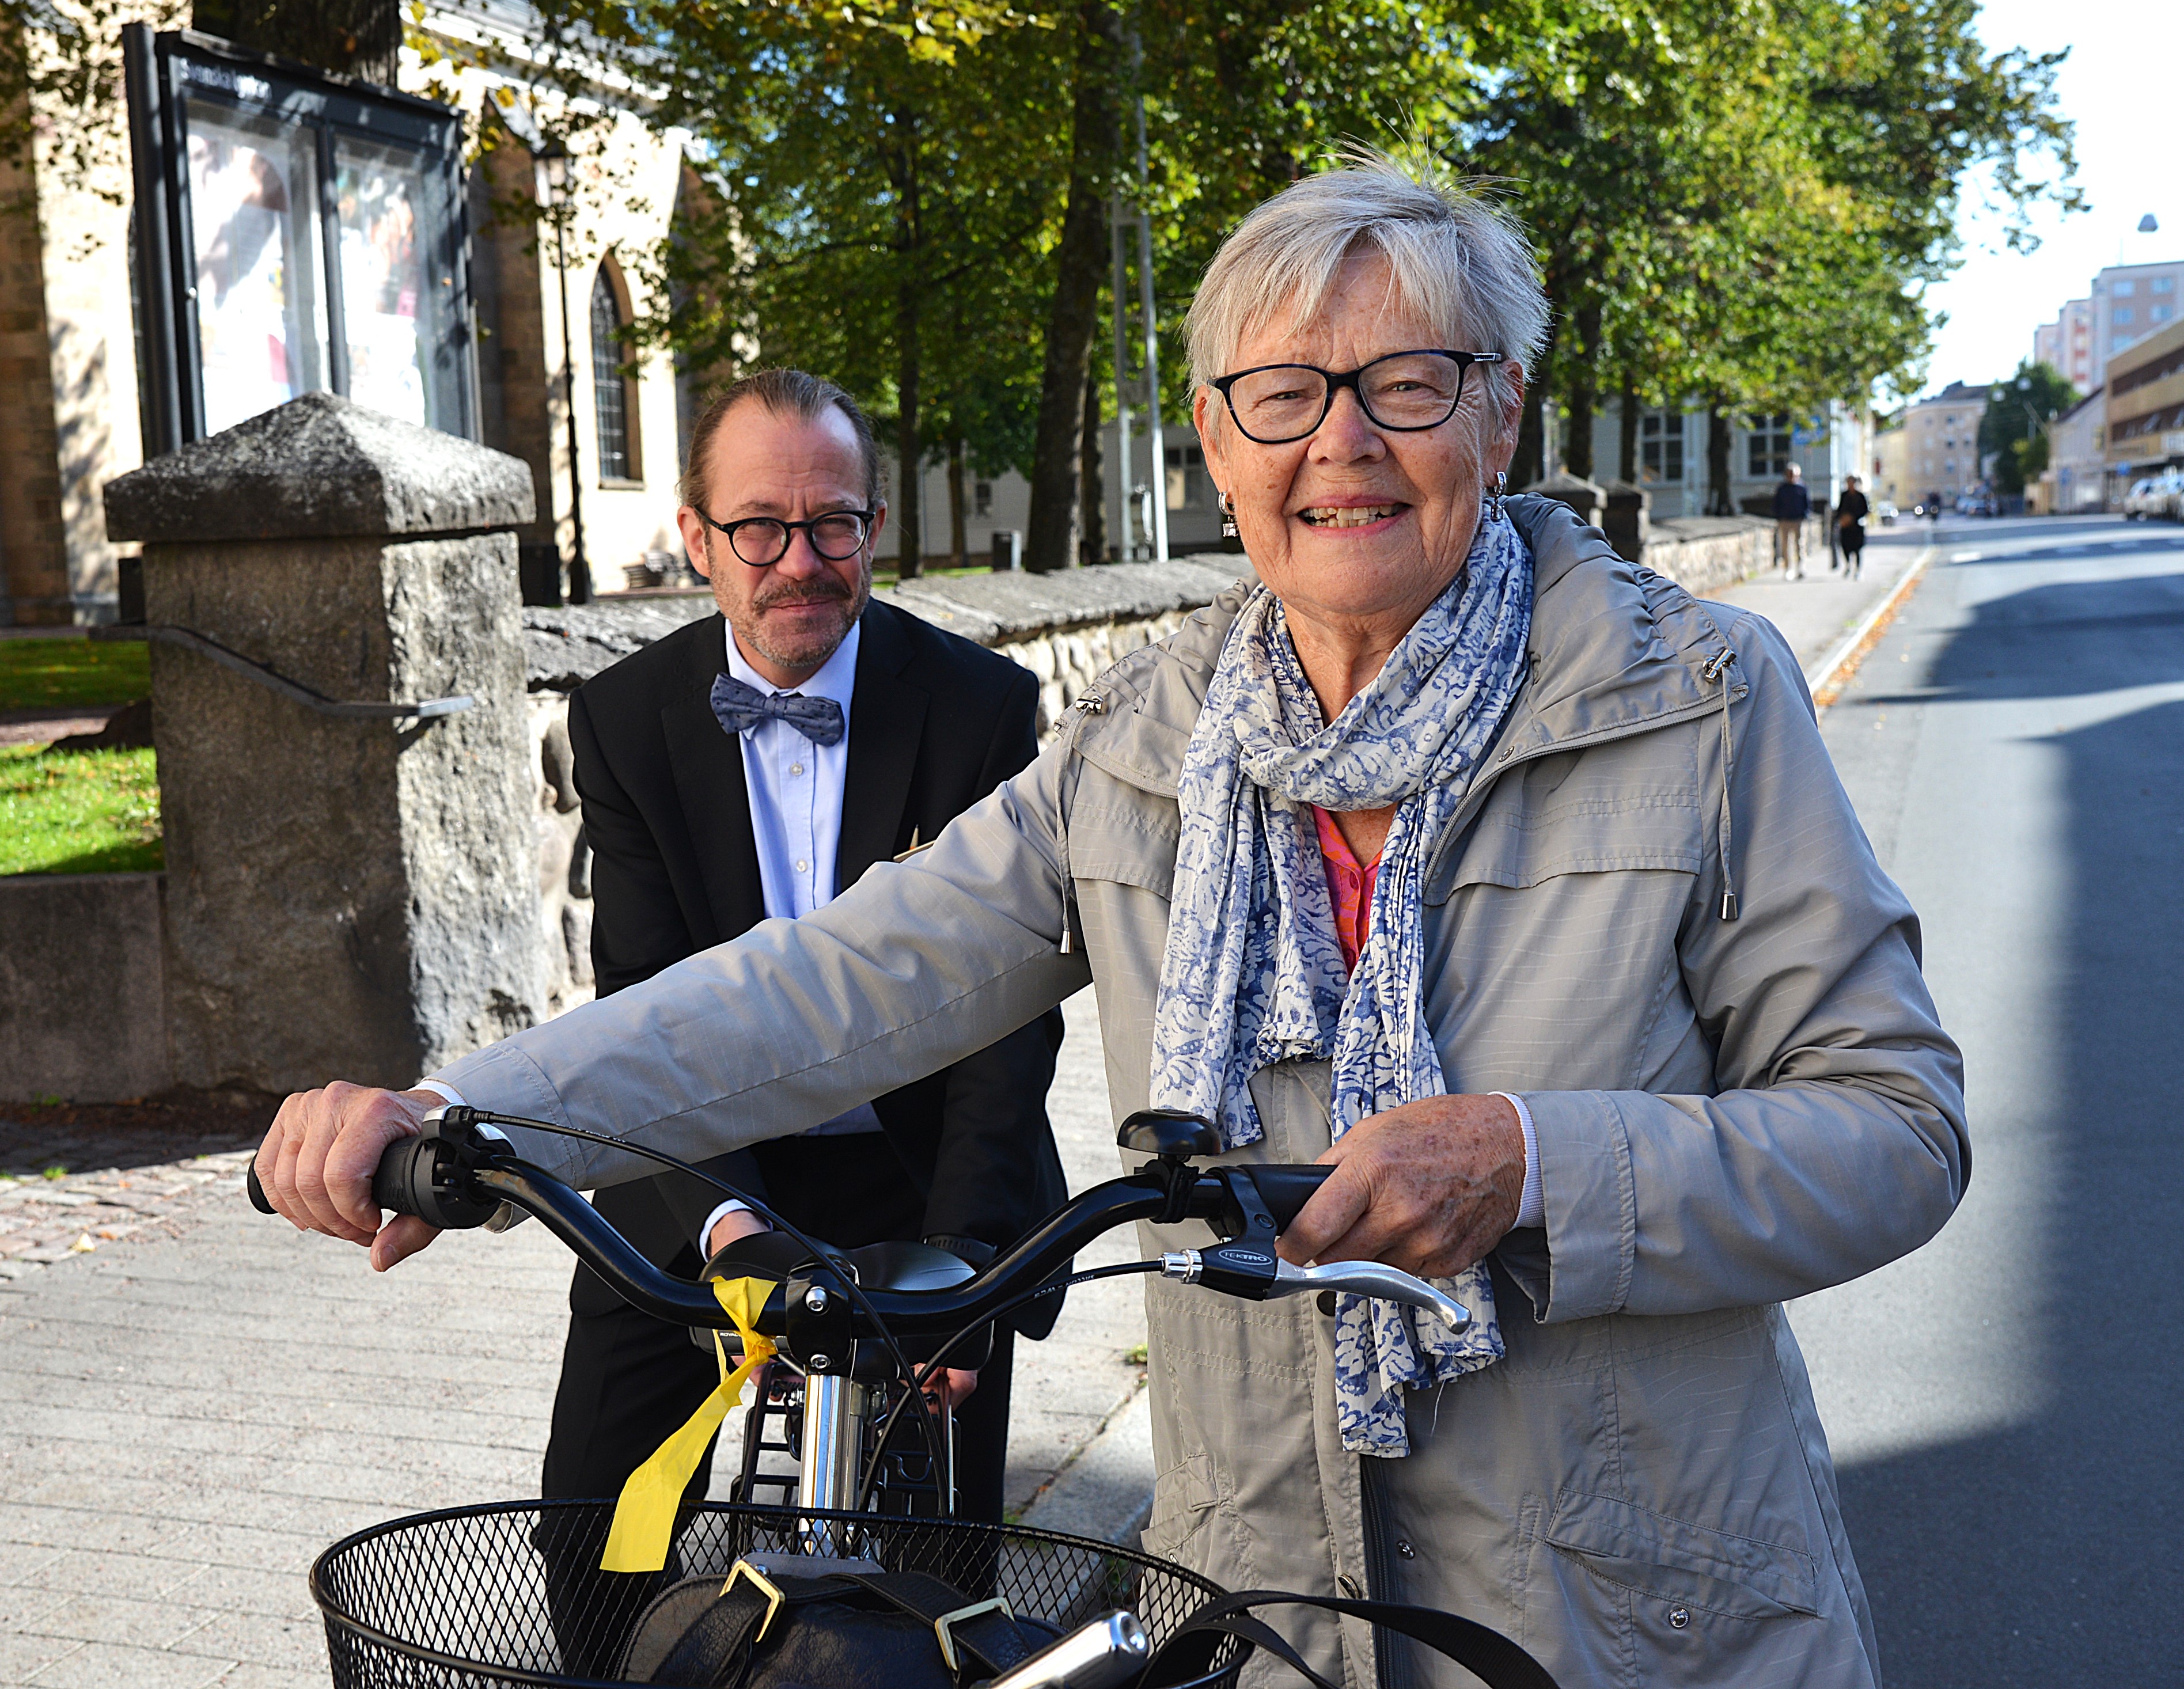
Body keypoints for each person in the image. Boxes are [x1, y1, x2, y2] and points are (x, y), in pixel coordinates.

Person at [261, 154, 1967, 1688]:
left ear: (1500, 416)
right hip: (1267, 1622)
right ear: (1218, 442)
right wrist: (458, 1109)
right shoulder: (1145, 743)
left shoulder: (1696, 701)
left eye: (1410, 381)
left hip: (1621, 1622)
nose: (1344, 442)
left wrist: (1533, 1161)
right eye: (1284, 392)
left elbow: (1895, 1131)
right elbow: (828, 987)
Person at [536, 368, 1068, 1658]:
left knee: (944, 1552)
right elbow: (649, 993)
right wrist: (726, 1230)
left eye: (833, 523)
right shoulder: (623, 717)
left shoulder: (981, 706)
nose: (800, 561)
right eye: (760, 527)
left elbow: (1010, 1016)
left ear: (875, 528)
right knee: (592, 1519)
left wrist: (963, 1263)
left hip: (922, 1172)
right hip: (701, 1168)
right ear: (697, 537)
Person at [1772, 462, 1812, 576]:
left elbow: (1807, 504)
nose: (1791, 476)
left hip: (1798, 520)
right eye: (1789, 474)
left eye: (1793, 474)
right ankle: (1788, 569)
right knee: (1785, 546)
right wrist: (1778, 516)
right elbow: (1776, 504)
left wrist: (1805, 515)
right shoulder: (1782, 489)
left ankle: (1801, 568)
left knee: (1800, 545)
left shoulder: (1802, 487)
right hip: (1785, 520)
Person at [1834, 475, 1871, 575]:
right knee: (1845, 547)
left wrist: (1854, 518)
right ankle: (1848, 565)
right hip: (1846, 527)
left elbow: (1865, 511)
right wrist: (1841, 519)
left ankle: (1858, 570)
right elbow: (1840, 509)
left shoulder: (1861, 496)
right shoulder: (1844, 495)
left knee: (1857, 549)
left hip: (1857, 526)